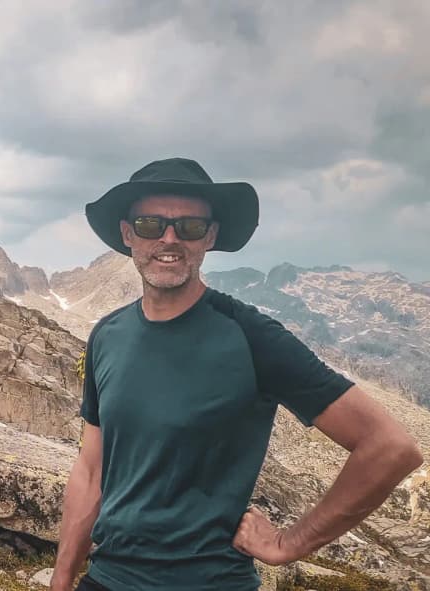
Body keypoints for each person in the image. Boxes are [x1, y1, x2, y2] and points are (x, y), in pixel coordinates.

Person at [50, 158, 424, 591]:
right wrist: (62, 577)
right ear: (127, 233)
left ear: (209, 236)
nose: (169, 239)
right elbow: (91, 469)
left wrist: (289, 543)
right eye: (151, 224)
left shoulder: (250, 335)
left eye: (189, 227)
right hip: (108, 578)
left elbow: (390, 447)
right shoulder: (107, 335)